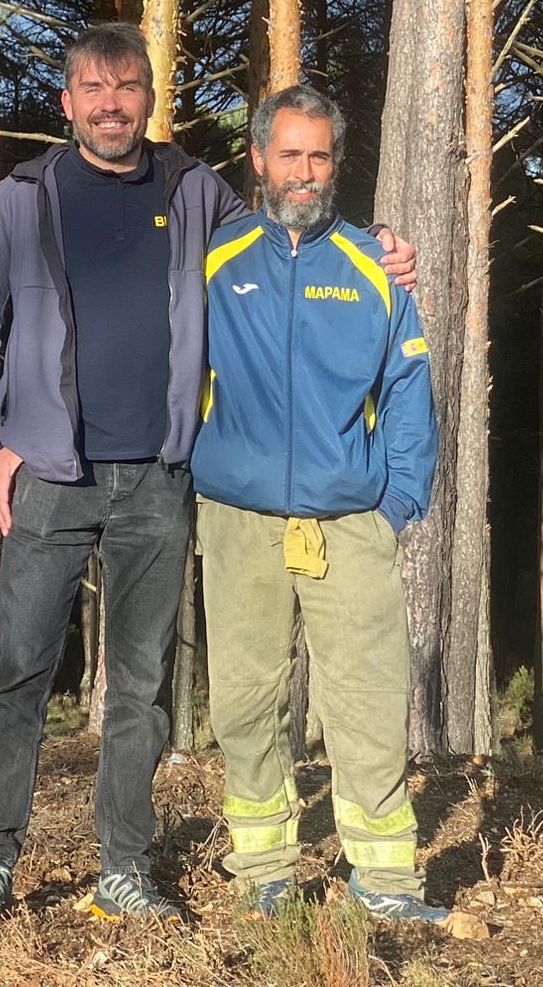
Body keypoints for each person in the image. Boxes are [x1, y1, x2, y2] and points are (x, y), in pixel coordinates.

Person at [0, 26, 415, 930]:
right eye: (94, 88)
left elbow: (291, 237)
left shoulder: (193, 190)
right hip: (48, 475)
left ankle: (123, 867)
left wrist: (381, 246)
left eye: (128, 87)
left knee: (141, 687)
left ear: (150, 97)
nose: (112, 103)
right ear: (68, 100)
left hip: (160, 481)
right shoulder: (24, 198)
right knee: (19, 677)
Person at [191, 83, 448, 925]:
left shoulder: (376, 266)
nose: (306, 173)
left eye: (321, 156)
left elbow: (409, 385)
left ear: (337, 164)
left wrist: (397, 501)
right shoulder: (215, 262)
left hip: (351, 524)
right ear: (259, 160)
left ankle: (385, 879)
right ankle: (265, 867)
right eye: (290, 155)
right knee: (244, 700)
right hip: (240, 521)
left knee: (369, 699)